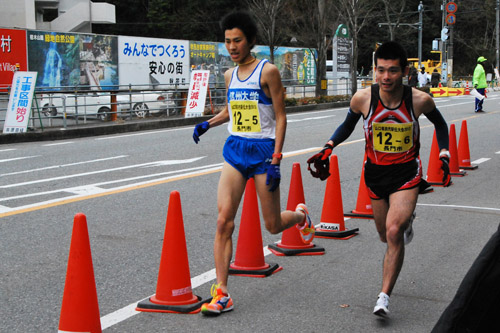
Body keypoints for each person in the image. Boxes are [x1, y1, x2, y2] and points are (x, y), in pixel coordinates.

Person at [307, 41, 451, 318]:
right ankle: (404, 224)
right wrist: (329, 145)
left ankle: (383, 296)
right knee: (385, 234)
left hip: (407, 173)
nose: (386, 77)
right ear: (374, 71)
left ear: (405, 71)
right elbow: (348, 125)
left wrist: (443, 151)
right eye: (381, 70)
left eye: (393, 71)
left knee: (394, 231)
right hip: (374, 173)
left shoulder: (419, 100)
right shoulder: (363, 98)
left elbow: (441, 125)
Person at [191, 10, 315, 316]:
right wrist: (208, 123)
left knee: (272, 225)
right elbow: (232, 111)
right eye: (227, 42)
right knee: (224, 221)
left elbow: (281, 117)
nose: (232, 47)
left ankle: (300, 216)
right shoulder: (229, 75)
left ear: (251, 41)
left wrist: (276, 158)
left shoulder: (267, 71)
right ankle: (222, 292)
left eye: (237, 41)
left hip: (263, 153)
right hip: (235, 150)